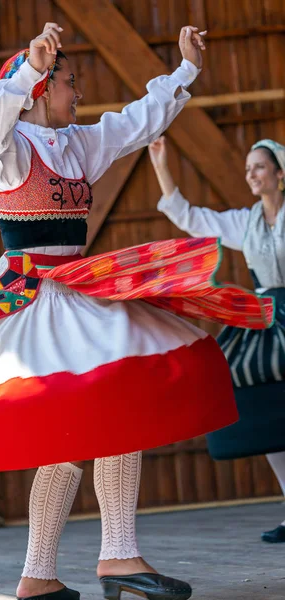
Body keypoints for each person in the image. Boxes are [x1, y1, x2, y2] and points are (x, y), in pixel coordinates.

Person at [0, 23, 274, 600]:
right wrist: (29, 68)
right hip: (28, 298)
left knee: (106, 413)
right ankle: (58, 570)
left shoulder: (77, 144)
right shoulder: (9, 151)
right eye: (72, 82)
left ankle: (93, 563)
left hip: (76, 289)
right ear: (43, 88)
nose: (80, 92)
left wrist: (186, 69)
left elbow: (138, 120)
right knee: (68, 430)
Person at [150, 134, 285, 543]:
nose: (251, 174)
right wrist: (161, 165)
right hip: (268, 319)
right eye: (248, 169)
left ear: (280, 174)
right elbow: (191, 218)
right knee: (267, 413)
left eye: (259, 167)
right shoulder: (245, 223)